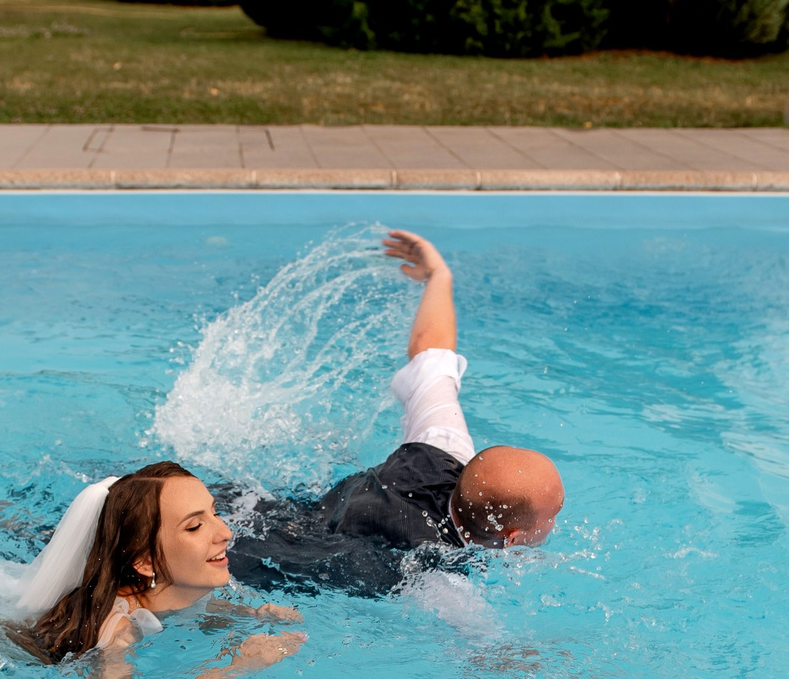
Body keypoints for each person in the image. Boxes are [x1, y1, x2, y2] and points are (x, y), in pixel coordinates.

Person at [228, 230, 566, 596]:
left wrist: (439, 276)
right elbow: (482, 647)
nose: (556, 524)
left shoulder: (442, 449)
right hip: (252, 566)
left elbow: (430, 354)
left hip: (256, 509)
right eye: (554, 515)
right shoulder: (439, 578)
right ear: (511, 538)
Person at [10, 460, 305, 679]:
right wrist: (237, 666)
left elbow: (194, 610)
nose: (225, 532)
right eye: (194, 526)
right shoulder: (118, 630)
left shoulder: (173, 589)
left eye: (215, 513)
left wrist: (251, 616)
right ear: (146, 562)